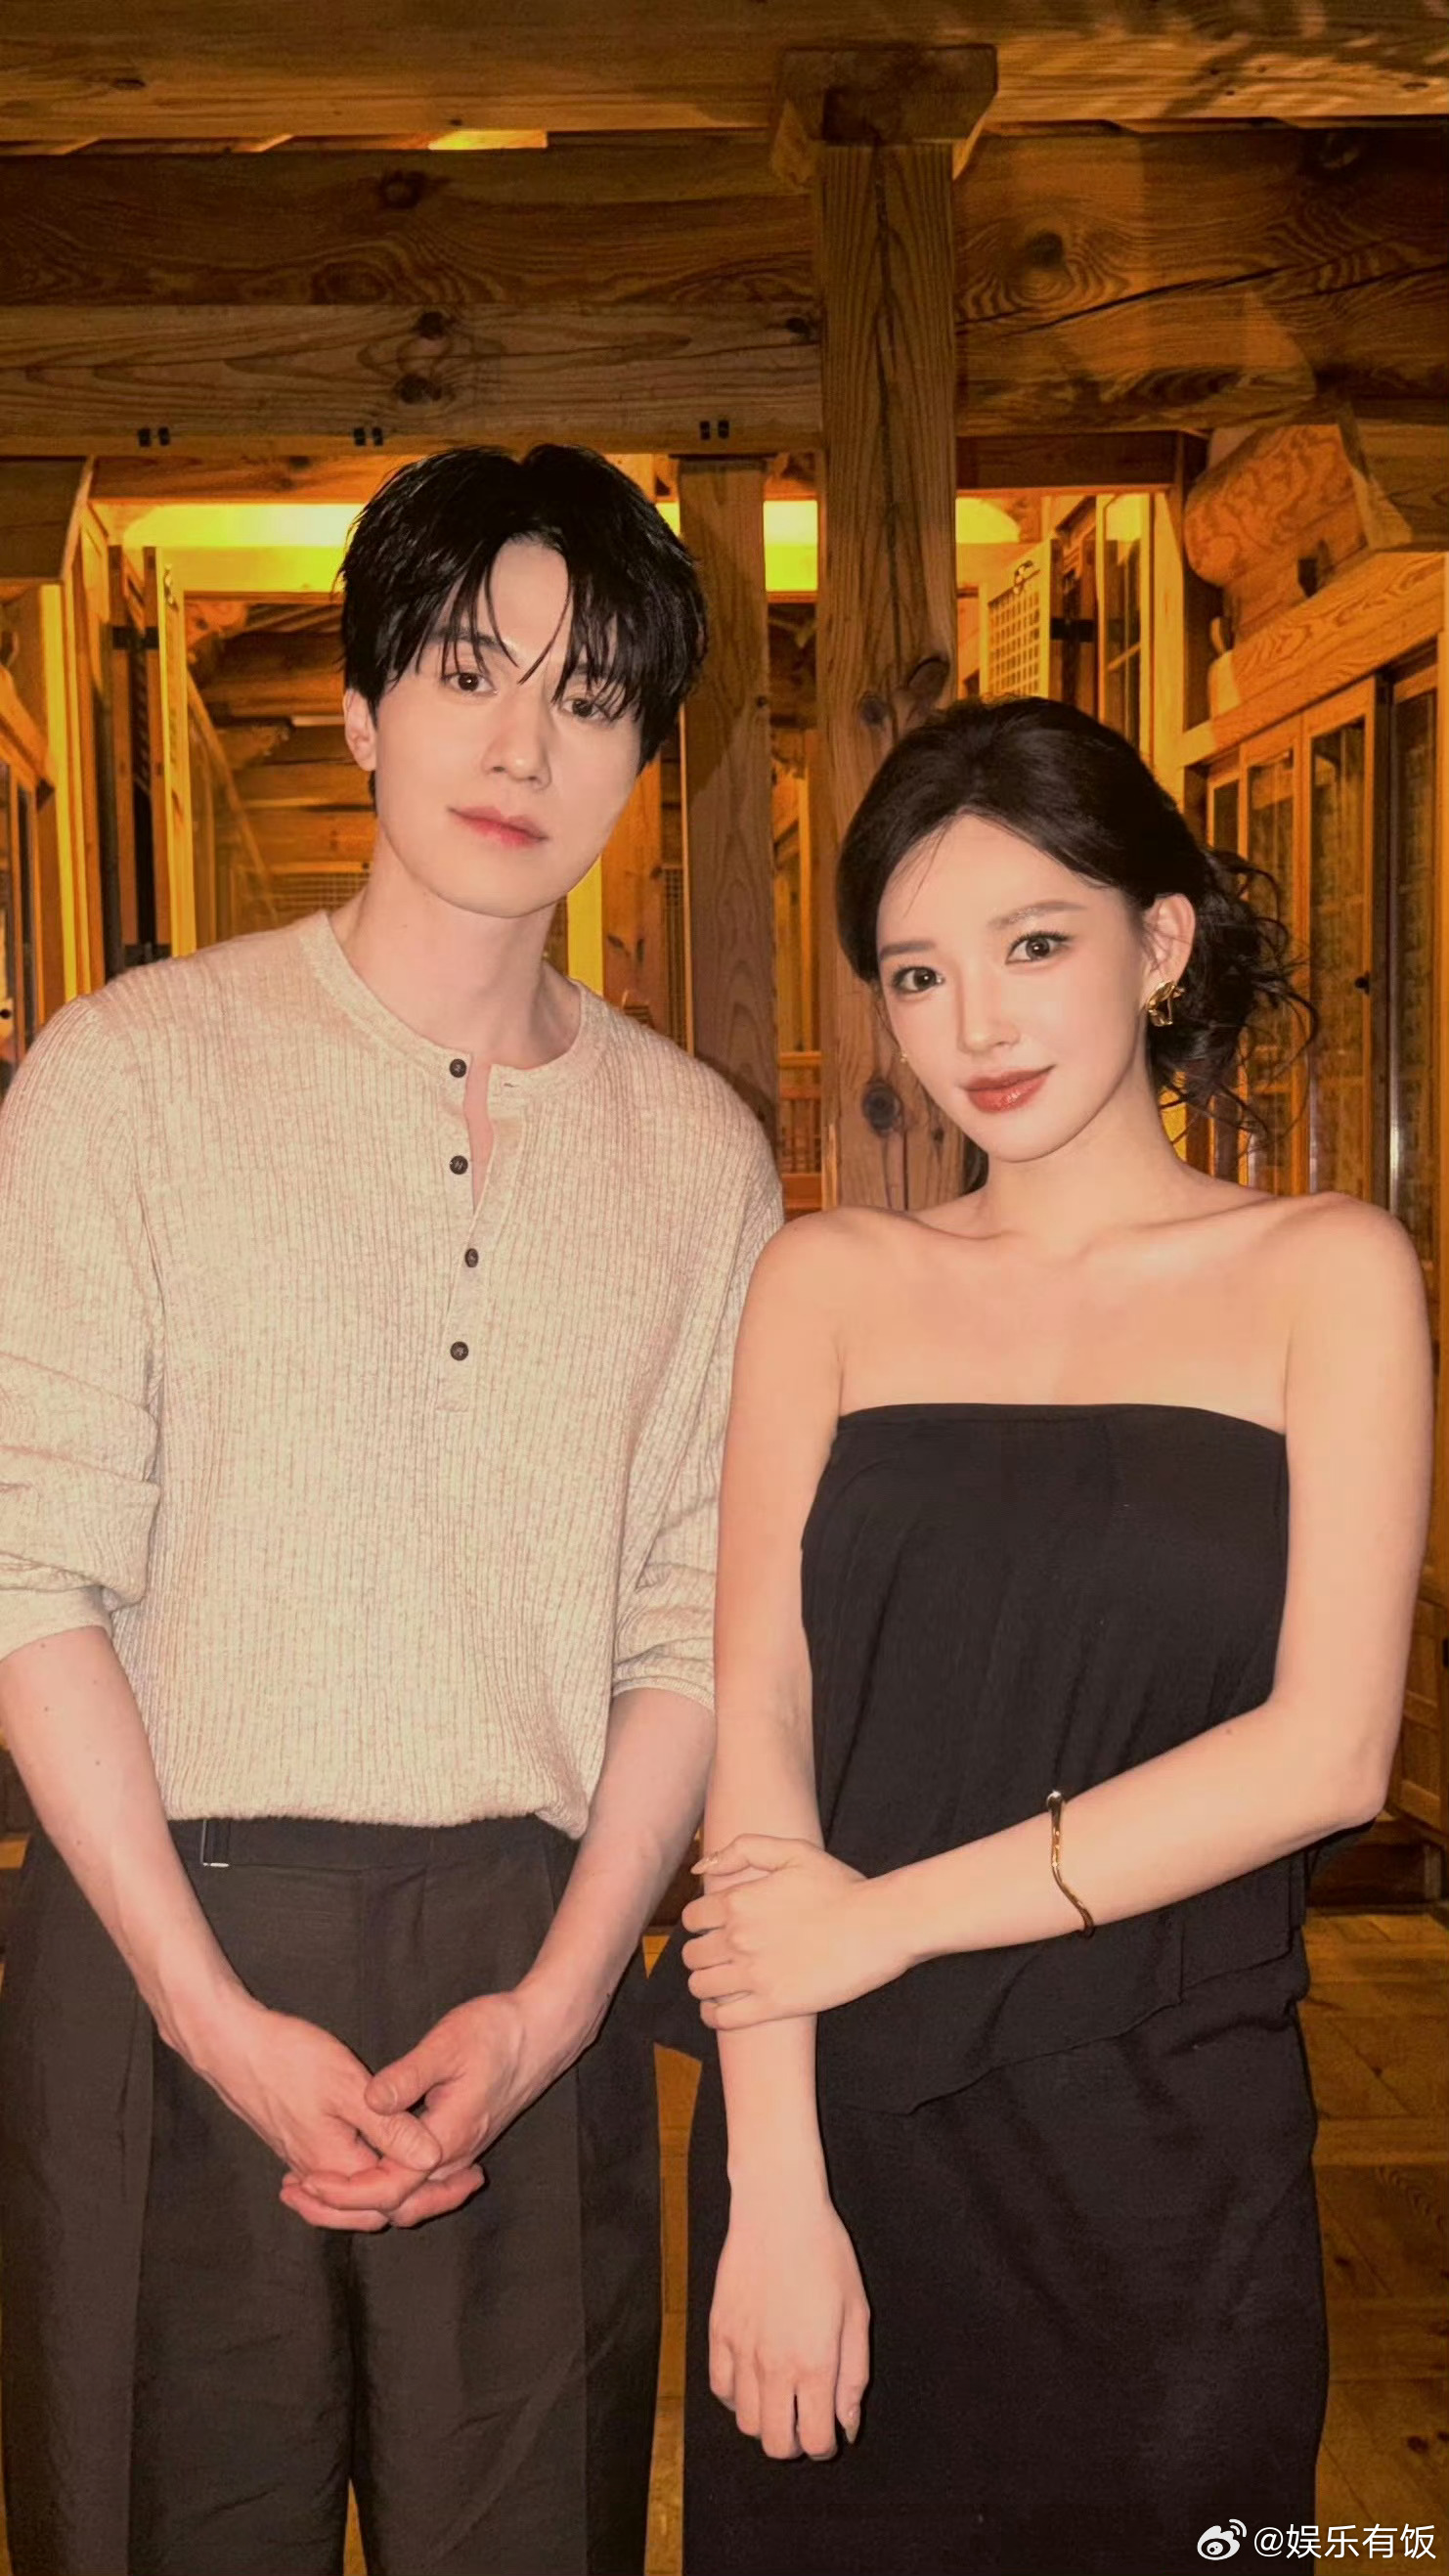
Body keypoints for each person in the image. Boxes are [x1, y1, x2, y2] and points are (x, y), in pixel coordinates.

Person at [0, 443, 781, 2576]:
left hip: (526, 1965)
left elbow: (689, 1621)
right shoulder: (127, 1072)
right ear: (358, 708)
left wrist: (562, 2001)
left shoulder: (701, 1158)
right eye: (465, 671)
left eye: (592, 696)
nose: (523, 745)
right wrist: (204, 2010)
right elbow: (27, 1564)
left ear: (645, 760)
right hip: (163, 1939)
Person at [673, 695, 1431, 2576]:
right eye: (917, 975)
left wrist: (886, 1915)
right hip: (841, 2126)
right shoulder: (827, 1277)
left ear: (1158, 941)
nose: (977, 1028)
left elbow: (1327, 1752)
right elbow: (758, 1709)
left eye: (1032, 945)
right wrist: (772, 2178)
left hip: (1165, 2141)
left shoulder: (1327, 1273)